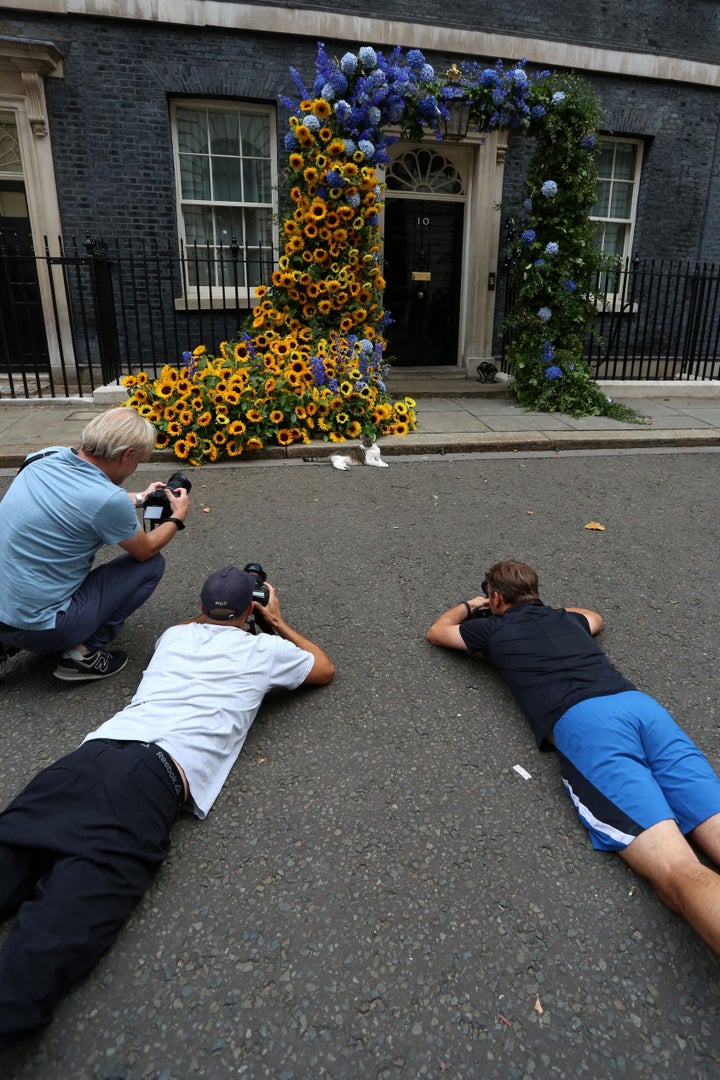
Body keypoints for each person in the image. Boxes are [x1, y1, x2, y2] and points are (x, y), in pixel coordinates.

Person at [0, 565, 334, 1048]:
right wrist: (277, 621)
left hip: (83, 760)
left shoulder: (173, 638)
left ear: (199, 609)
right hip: (149, 778)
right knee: (54, 935)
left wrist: (221, 615)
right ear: (251, 609)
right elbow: (323, 669)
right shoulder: (266, 650)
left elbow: (195, 623)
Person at [427, 559, 720, 955]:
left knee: (677, 871)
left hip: (588, 723)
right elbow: (594, 617)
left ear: (495, 597)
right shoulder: (568, 620)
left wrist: (469, 603)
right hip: (640, 707)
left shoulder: (491, 630)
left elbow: (438, 631)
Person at [0, 407, 189, 682]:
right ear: (127, 455)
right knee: (151, 565)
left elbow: (78, 495)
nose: (136, 466)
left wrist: (140, 497)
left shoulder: (41, 458)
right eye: (139, 460)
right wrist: (176, 517)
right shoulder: (107, 499)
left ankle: (5, 642)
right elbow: (146, 548)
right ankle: (83, 655)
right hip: (42, 631)